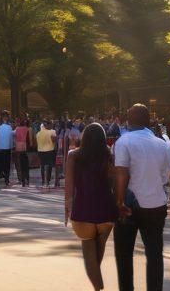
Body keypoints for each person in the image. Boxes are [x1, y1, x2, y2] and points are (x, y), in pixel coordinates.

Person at [113, 103, 170, 291]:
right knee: (155, 255)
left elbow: (122, 173)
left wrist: (119, 201)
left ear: (128, 120)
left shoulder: (124, 141)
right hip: (156, 205)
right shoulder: (162, 144)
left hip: (129, 205)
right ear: (149, 121)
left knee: (124, 254)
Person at [64, 123, 117, 291]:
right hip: (106, 209)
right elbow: (113, 183)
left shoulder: (74, 155)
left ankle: (98, 287)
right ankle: (98, 286)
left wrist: (67, 209)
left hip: (83, 209)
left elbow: (69, 187)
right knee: (97, 254)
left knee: (88, 252)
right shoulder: (108, 155)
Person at [37, 121, 58, 189]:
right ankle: (48, 180)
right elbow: (54, 140)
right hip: (49, 151)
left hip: (40, 151)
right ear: (47, 126)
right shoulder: (52, 131)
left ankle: (43, 181)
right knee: (49, 166)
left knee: (42, 166)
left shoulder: (38, 133)